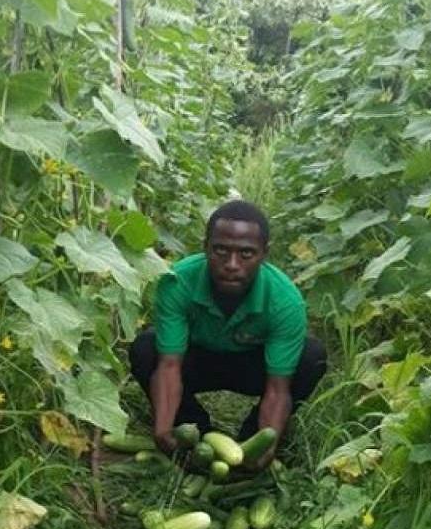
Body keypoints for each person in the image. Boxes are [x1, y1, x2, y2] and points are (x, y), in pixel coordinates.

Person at [129, 200, 327, 469]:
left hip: (254, 367)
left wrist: (266, 445)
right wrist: (162, 428)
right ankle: (192, 429)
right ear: (206, 247)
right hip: (196, 360)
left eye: (246, 254)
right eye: (220, 250)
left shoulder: (284, 301)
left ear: (264, 254)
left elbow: (277, 388)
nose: (232, 264)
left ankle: (250, 438)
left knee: (312, 356)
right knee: (145, 349)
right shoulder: (176, 282)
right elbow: (169, 364)